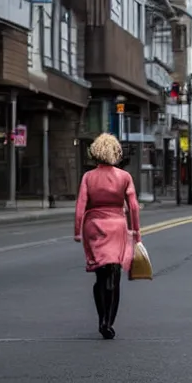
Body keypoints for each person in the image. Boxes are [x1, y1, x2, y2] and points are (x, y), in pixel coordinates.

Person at [74, 132, 141, 339]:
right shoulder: (124, 177)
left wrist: (77, 231)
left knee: (100, 273)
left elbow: (81, 206)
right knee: (115, 273)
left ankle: (101, 317)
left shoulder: (88, 177)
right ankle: (108, 321)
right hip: (116, 225)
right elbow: (133, 207)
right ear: (115, 153)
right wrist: (136, 232)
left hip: (94, 225)